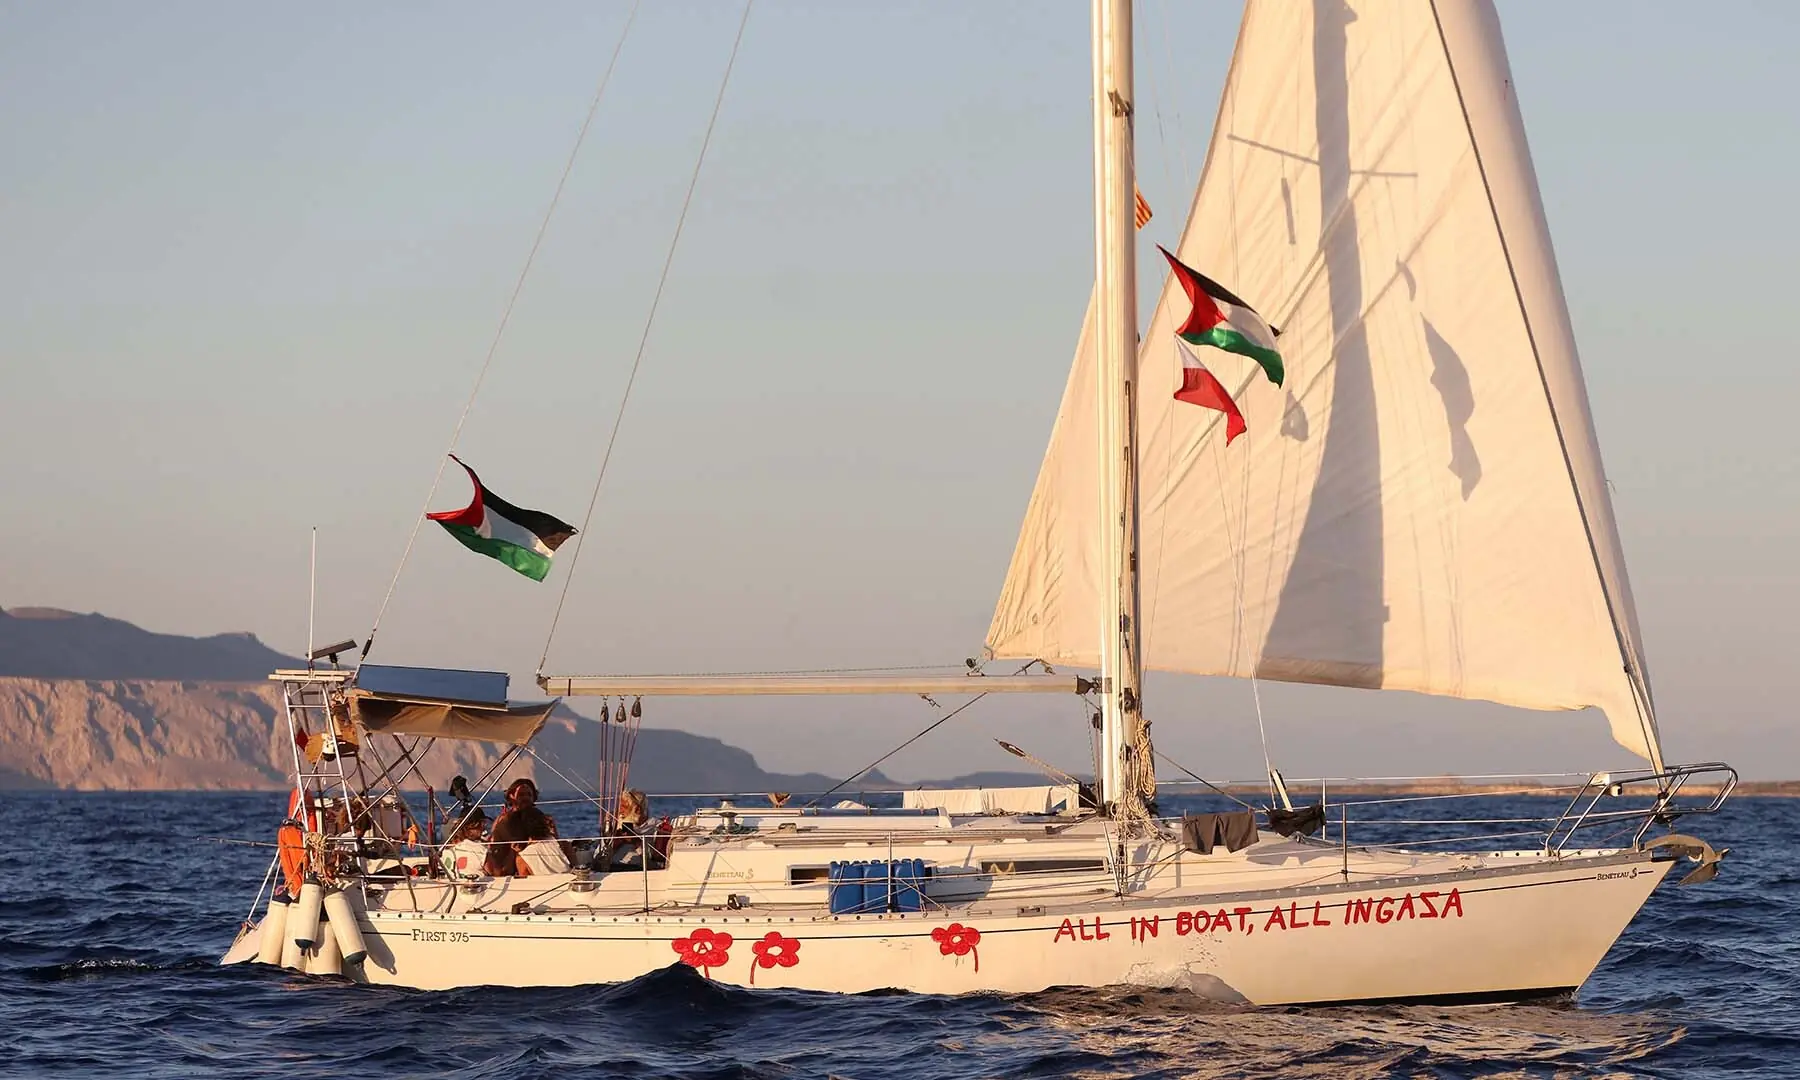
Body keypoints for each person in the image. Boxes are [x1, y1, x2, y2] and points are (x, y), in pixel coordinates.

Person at [441, 809, 489, 879]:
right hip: (478, 887)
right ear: (476, 824)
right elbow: (495, 871)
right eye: (483, 823)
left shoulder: (447, 849)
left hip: (452, 885)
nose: (484, 828)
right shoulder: (481, 851)